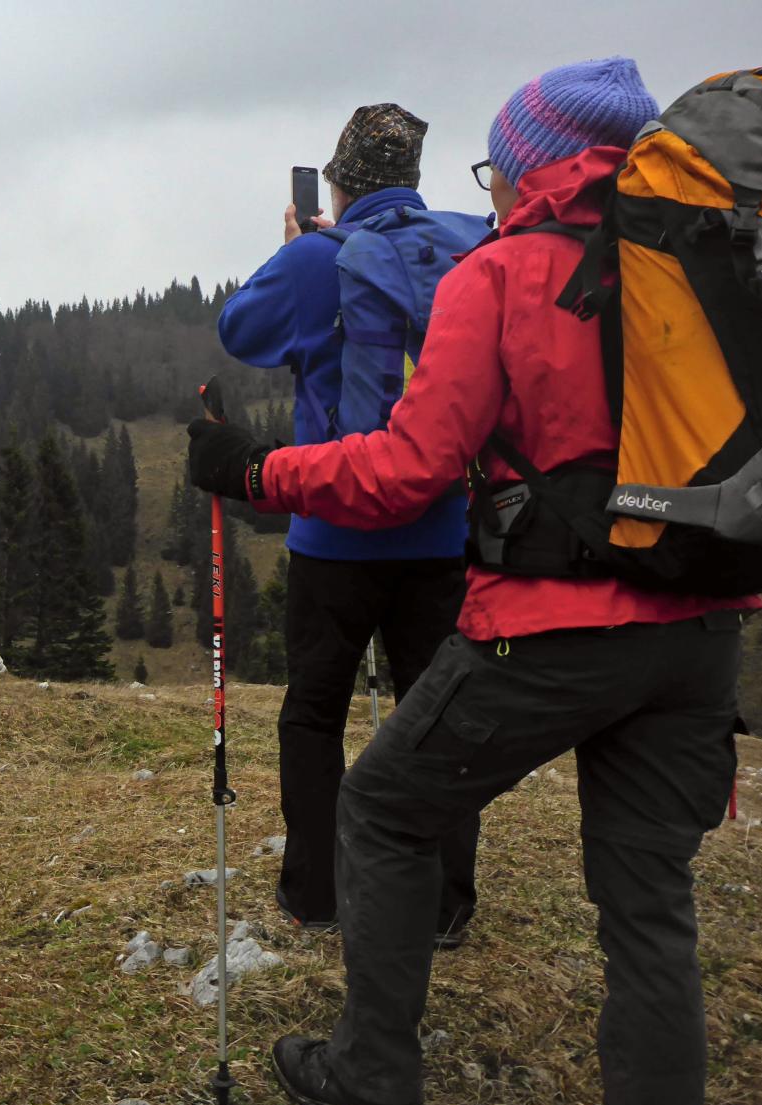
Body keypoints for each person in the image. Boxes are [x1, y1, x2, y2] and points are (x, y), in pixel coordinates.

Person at [187, 57, 756, 1105]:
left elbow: (409, 467)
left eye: (501, 169)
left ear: (538, 170)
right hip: (697, 629)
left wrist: (257, 467)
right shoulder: (702, 266)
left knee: (387, 806)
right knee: (650, 910)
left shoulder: (505, 275)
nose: (489, 191)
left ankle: (374, 1076)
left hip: (549, 624)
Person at [216, 103, 486, 943]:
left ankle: (317, 894)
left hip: (332, 526)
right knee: (434, 713)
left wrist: (299, 242)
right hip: (444, 525)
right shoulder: (467, 246)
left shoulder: (316, 259)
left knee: (316, 710)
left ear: (337, 180)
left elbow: (240, 330)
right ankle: (443, 903)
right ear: (412, 177)